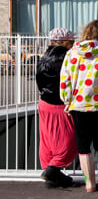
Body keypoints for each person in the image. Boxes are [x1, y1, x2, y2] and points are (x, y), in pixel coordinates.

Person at [59, 20, 98, 193]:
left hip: (78, 103)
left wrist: (66, 100)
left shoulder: (72, 52)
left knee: (83, 142)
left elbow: (65, 79)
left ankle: (90, 183)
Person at [36, 27, 78, 188]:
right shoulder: (67, 57)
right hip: (59, 104)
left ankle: (51, 170)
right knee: (71, 139)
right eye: (72, 41)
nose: (73, 43)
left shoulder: (44, 56)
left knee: (48, 140)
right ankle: (53, 169)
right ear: (65, 42)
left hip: (44, 103)